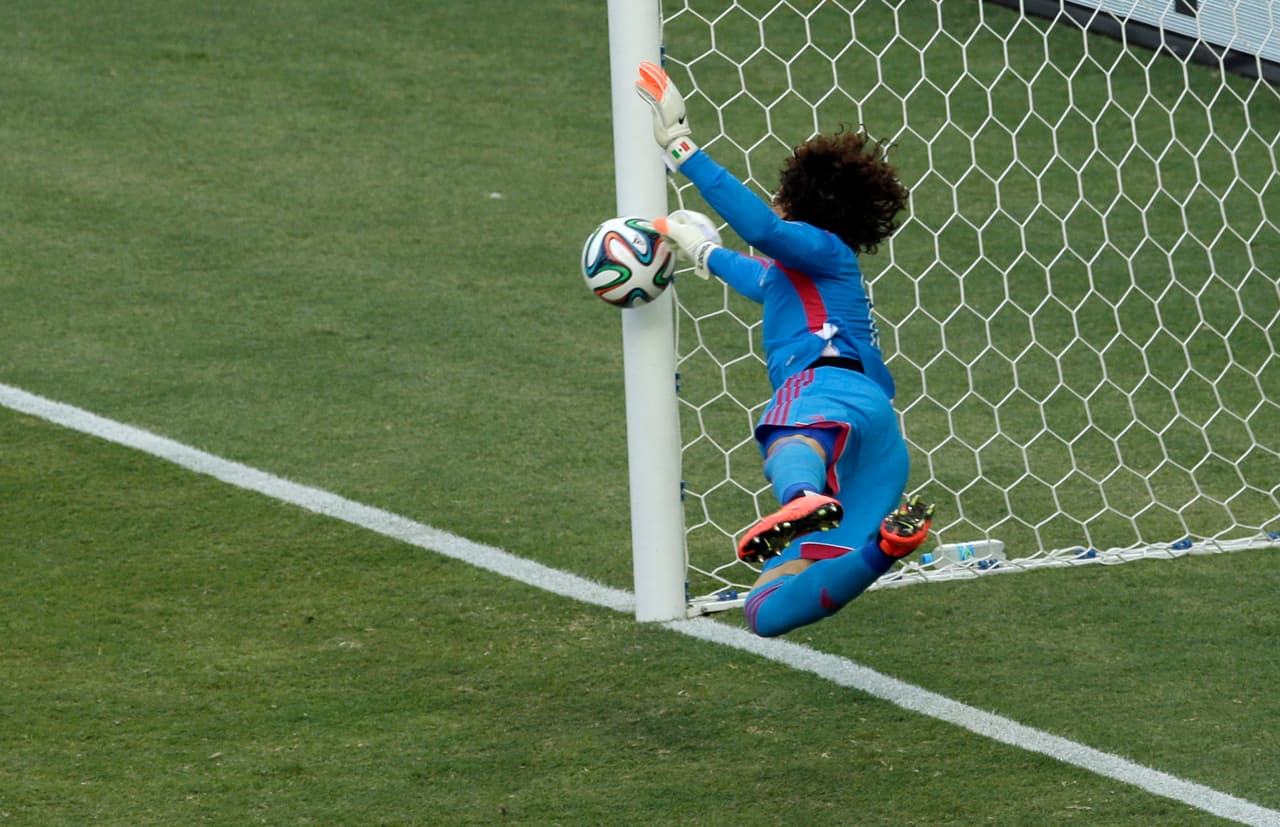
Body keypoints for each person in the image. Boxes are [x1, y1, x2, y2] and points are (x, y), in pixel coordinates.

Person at [635, 61, 935, 637]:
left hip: (827, 391)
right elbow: (760, 277)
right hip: (874, 442)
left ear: (801, 202)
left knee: (787, 424)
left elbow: (766, 236)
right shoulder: (805, 273)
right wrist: (699, 251)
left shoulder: (824, 249)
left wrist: (681, 148)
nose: (773, 202)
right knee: (765, 612)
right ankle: (888, 547)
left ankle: (800, 494)